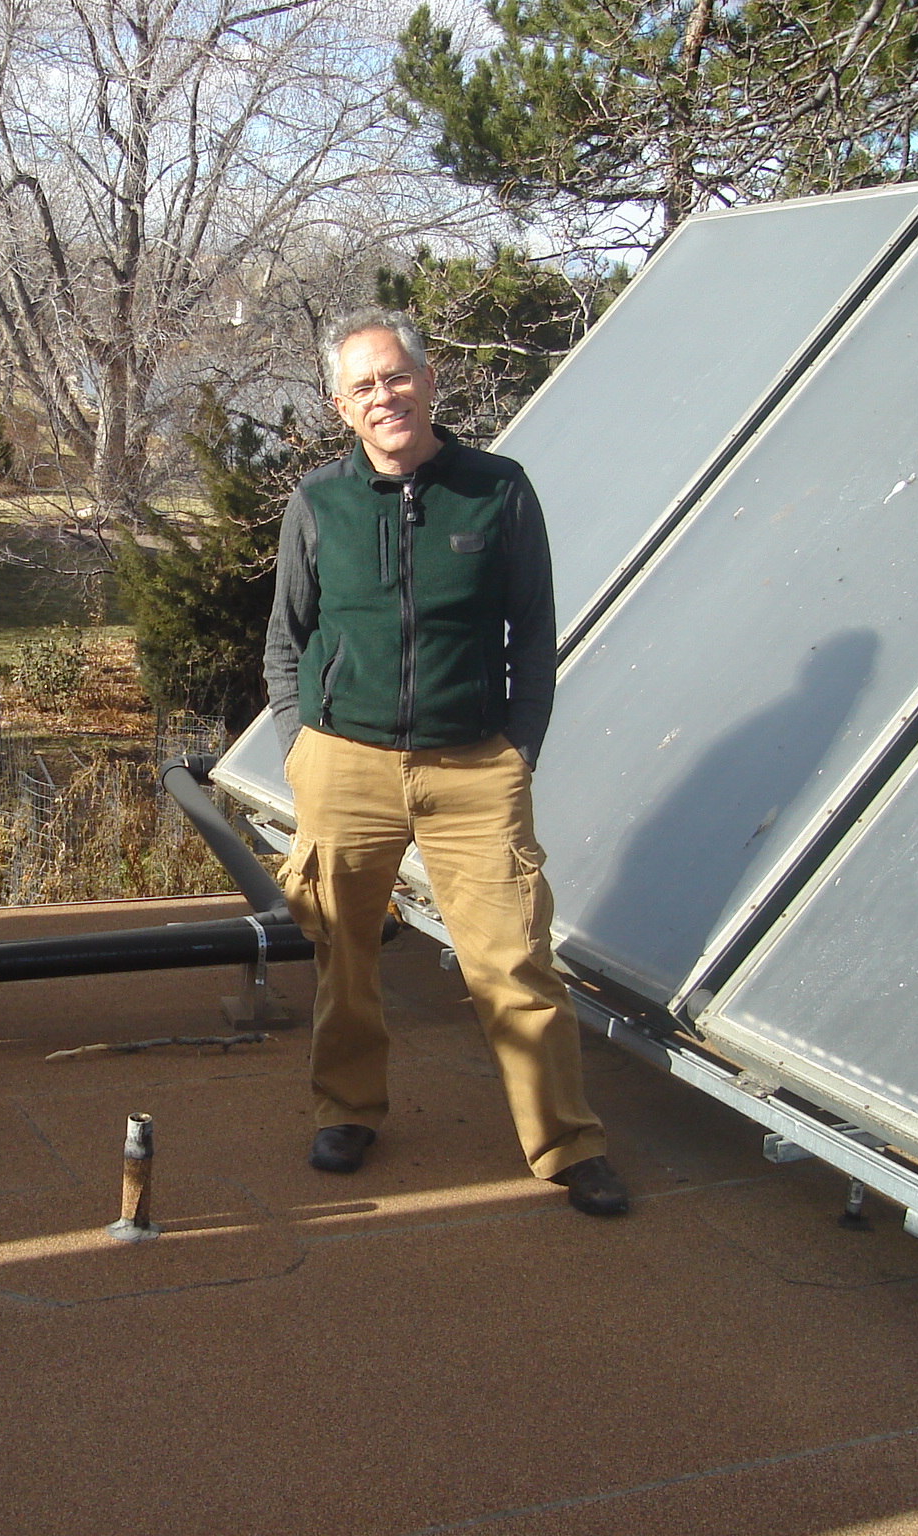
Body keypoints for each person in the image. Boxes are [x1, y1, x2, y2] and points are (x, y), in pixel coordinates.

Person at [262, 308, 628, 1216]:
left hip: (473, 770)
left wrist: (518, 750)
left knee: (514, 962)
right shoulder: (318, 504)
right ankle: (346, 1110)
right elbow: (285, 640)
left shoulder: (496, 490)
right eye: (362, 387)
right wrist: (300, 749)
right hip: (344, 764)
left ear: (428, 382)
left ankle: (566, 1144)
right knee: (343, 955)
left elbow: (533, 635)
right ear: (340, 407)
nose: (382, 397)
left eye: (395, 377)